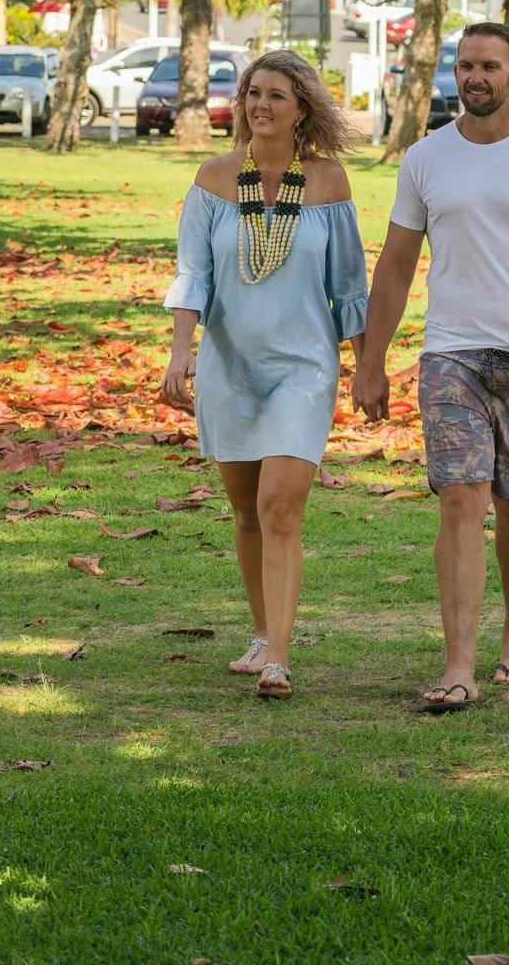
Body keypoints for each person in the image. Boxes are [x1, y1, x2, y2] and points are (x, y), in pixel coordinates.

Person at [356, 23, 509, 712]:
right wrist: (371, 361)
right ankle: (458, 665)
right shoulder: (426, 158)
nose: (474, 77)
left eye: (489, 66)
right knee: (460, 497)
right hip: (450, 354)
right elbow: (396, 266)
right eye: (465, 66)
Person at [161, 49, 369, 700]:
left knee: (280, 506)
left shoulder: (328, 182)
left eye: (276, 95)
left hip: (303, 367)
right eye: (253, 93)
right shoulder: (214, 179)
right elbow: (193, 273)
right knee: (247, 511)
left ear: (302, 107)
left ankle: (278, 657)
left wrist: (368, 368)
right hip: (229, 366)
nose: (261, 105)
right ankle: (259, 632)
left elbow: (349, 287)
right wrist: (181, 350)